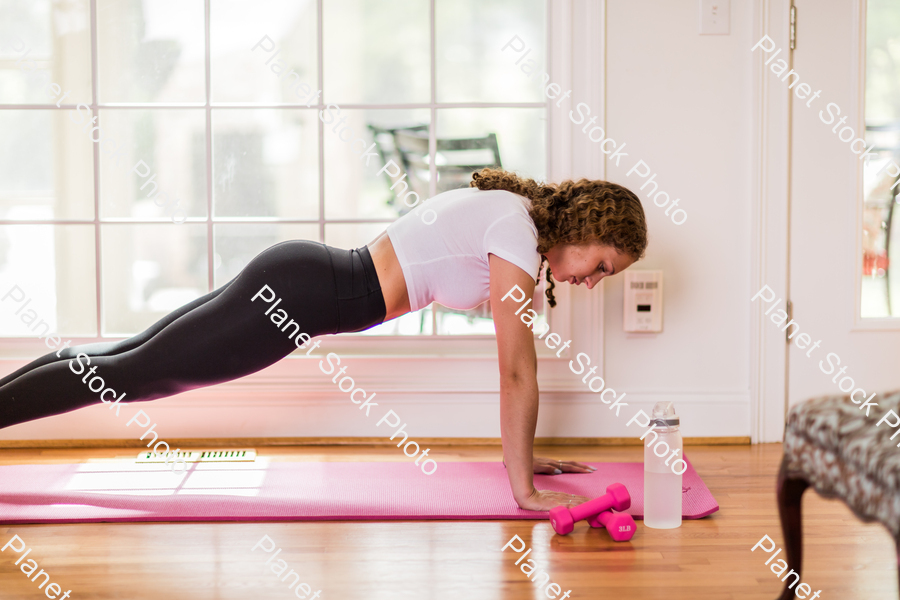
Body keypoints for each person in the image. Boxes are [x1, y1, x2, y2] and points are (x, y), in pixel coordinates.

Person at [0, 167, 647, 511]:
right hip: (301, 294)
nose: (593, 282)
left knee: (123, 363)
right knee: (131, 374)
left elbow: (511, 369)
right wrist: (523, 486)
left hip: (301, 282)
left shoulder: (514, 230)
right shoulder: (516, 234)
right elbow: (515, 371)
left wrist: (522, 458)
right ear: (588, 231)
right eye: (603, 269)